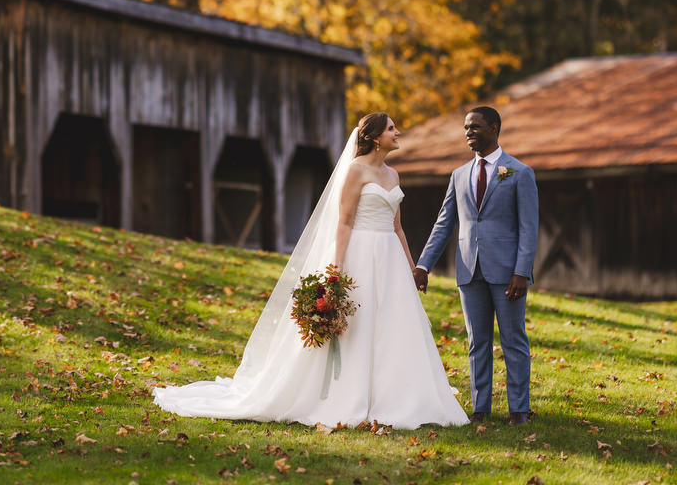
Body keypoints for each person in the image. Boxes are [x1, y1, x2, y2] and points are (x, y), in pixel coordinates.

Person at [153, 113, 468, 430]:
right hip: (360, 253)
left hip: (390, 259)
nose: (397, 132)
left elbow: (398, 227)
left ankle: (395, 395)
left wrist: (411, 266)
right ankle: (347, 393)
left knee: (392, 324)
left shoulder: (394, 175)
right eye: (390, 129)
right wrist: (337, 271)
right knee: (358, 325)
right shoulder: (355, 170)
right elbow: (343, 222)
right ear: (373, 137)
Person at [413, 106, 538, 426]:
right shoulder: (458, 175)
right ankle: (480, 408)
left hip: (508, 273)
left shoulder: (519, 172)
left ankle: (519, 410)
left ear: (494, 128)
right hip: (469, 271)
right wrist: (424, 265)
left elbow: (529, 227)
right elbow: (443, 225)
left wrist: (522, 271)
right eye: (466, 128)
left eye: (475, 127)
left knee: (513, 339)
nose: (469, 132)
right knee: (476, 341)